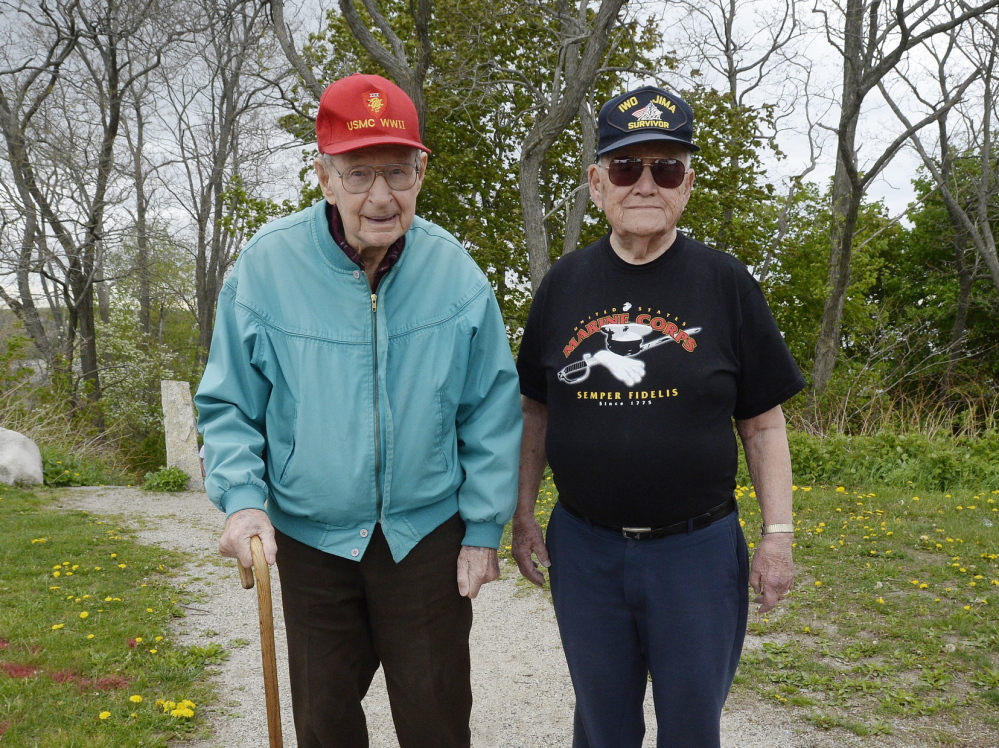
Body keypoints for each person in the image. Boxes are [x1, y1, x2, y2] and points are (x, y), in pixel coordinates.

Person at [195, 73, 521, 748]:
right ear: (323, 175)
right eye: (358, 172)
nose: (380, 195)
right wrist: (242, 500)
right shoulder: (265, 266)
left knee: (435, 720)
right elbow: (229, 402)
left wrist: (484, 526)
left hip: (425, 534)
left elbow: (489, 406)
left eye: (398, 173)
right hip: (311, 536)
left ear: (421, 172)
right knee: (323, 722)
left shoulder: (454, 271)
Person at [512, 85, 806, 747]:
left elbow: (761, 423)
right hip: (584, 548)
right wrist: (524, 513)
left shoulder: (725, 282)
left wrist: (777, 535)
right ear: (596, 183)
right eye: (625, 167)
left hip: (697, 553)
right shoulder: (563, 283)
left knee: (690, 726)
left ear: (686, 184)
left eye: (664, 168)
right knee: (602, 725)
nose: (644, 183)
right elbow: (534, 411)